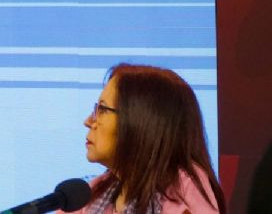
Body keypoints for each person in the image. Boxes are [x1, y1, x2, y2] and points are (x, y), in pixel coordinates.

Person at [61, 63, 225, 214]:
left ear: (139, 120)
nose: (88, 121)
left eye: (102, 109)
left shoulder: (184, 190)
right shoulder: (90, 195)